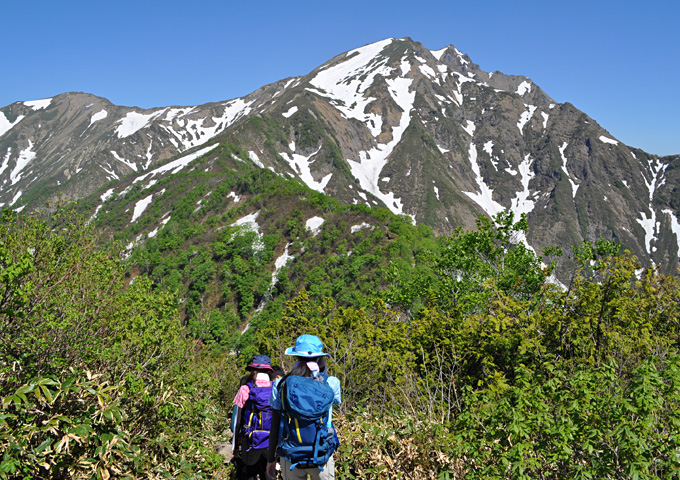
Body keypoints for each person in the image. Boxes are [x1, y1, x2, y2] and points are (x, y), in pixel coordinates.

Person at [266, 335, 341, 480]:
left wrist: (271, 459)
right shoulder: (331, 383)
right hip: (322, 453)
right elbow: (335, 401)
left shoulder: (281, 385)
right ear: (320, 358)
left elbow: (275, 424)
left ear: (296, 357)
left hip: (291, 455)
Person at [233, 354, 275, 480]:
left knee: (250, 470)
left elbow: (237, 420)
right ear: (268, 371)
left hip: (251, 439)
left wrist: (235, 446)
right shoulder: (276, 388)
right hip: (272, 439)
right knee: (269, 473)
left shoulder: (245, 389)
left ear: (252, 370)